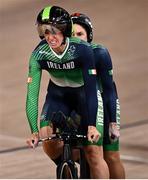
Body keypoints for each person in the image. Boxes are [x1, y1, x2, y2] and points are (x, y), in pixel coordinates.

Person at [26, 5, 109, 178]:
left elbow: (91, 88)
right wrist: (33, 130)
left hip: (84, 95)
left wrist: (92, 125)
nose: (50, 37)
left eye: (54, 31)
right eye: (45, 31)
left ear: (66, 31)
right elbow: (32, 95)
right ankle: (70, 161)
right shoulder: (39, 54)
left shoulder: (82, 50)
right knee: (46, 137)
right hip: (58, 97)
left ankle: (88, 158)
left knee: (94, 153)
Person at [71, 13, 125, 179]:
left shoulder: (99, 54)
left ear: (89, 36)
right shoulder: (64, 55)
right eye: (72, 35)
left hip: (103, 99)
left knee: (110, 156)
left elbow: (109, 90)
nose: (76, 39)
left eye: (80, 34)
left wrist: (113, 123)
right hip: (79, 101)